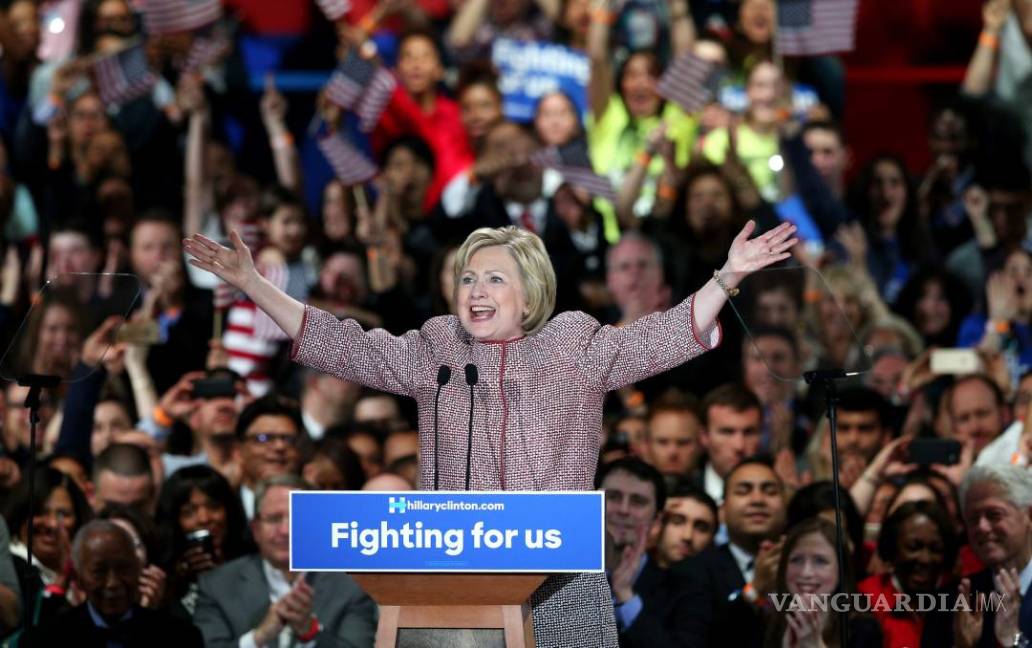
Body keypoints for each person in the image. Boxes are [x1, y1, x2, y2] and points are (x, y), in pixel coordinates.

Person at [184, 218, 797, 646]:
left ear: (530, 293)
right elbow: (345, 346)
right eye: (468, 278)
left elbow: (656, 338)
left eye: (494, 279)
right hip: (451, 579)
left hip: (557, 580)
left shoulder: (572, 345)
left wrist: (726, 278)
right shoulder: (438, 347)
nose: (476, 291)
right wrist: (254, 285)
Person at [193, 475, 377, 647]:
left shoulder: (352, 587)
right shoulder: (217, 586)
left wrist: (311, 632)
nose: (286, 530)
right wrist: (258, 638)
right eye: (274, 519)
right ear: (255, 529)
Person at [19, 520, 203, 647]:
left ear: (138, 569)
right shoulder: (45, 641)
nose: (113, 583)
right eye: (99, 572)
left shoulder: (180, 638)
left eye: (123, 569)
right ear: (79, 577)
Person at [596, 457, 704, 647]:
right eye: (613, 497)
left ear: (657, 520)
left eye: (638, 501)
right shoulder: (557, 577)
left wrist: (626, 598)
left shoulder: (687, 592)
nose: (623, 510)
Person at [923, 465, 1032, 648]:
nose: (982, 527)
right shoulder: (951, 602)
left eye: (994, 515)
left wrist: (1013, 639)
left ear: (1029, 515)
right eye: (973, 519)